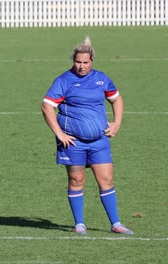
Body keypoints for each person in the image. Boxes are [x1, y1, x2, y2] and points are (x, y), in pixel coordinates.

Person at [41, 36, 133, 235]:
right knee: (76, 180)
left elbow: (116, 100)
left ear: (92, 61)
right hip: (73, 143)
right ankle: (79, 224)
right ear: (73, 61)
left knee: (106, 180)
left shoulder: (102, 79)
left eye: (85, 62)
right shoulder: (63, 81)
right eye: (77, 62)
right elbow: (47, 106)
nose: (81, 66)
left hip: (99, 142)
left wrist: (116, 123)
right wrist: (59, 133)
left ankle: (116, 224)